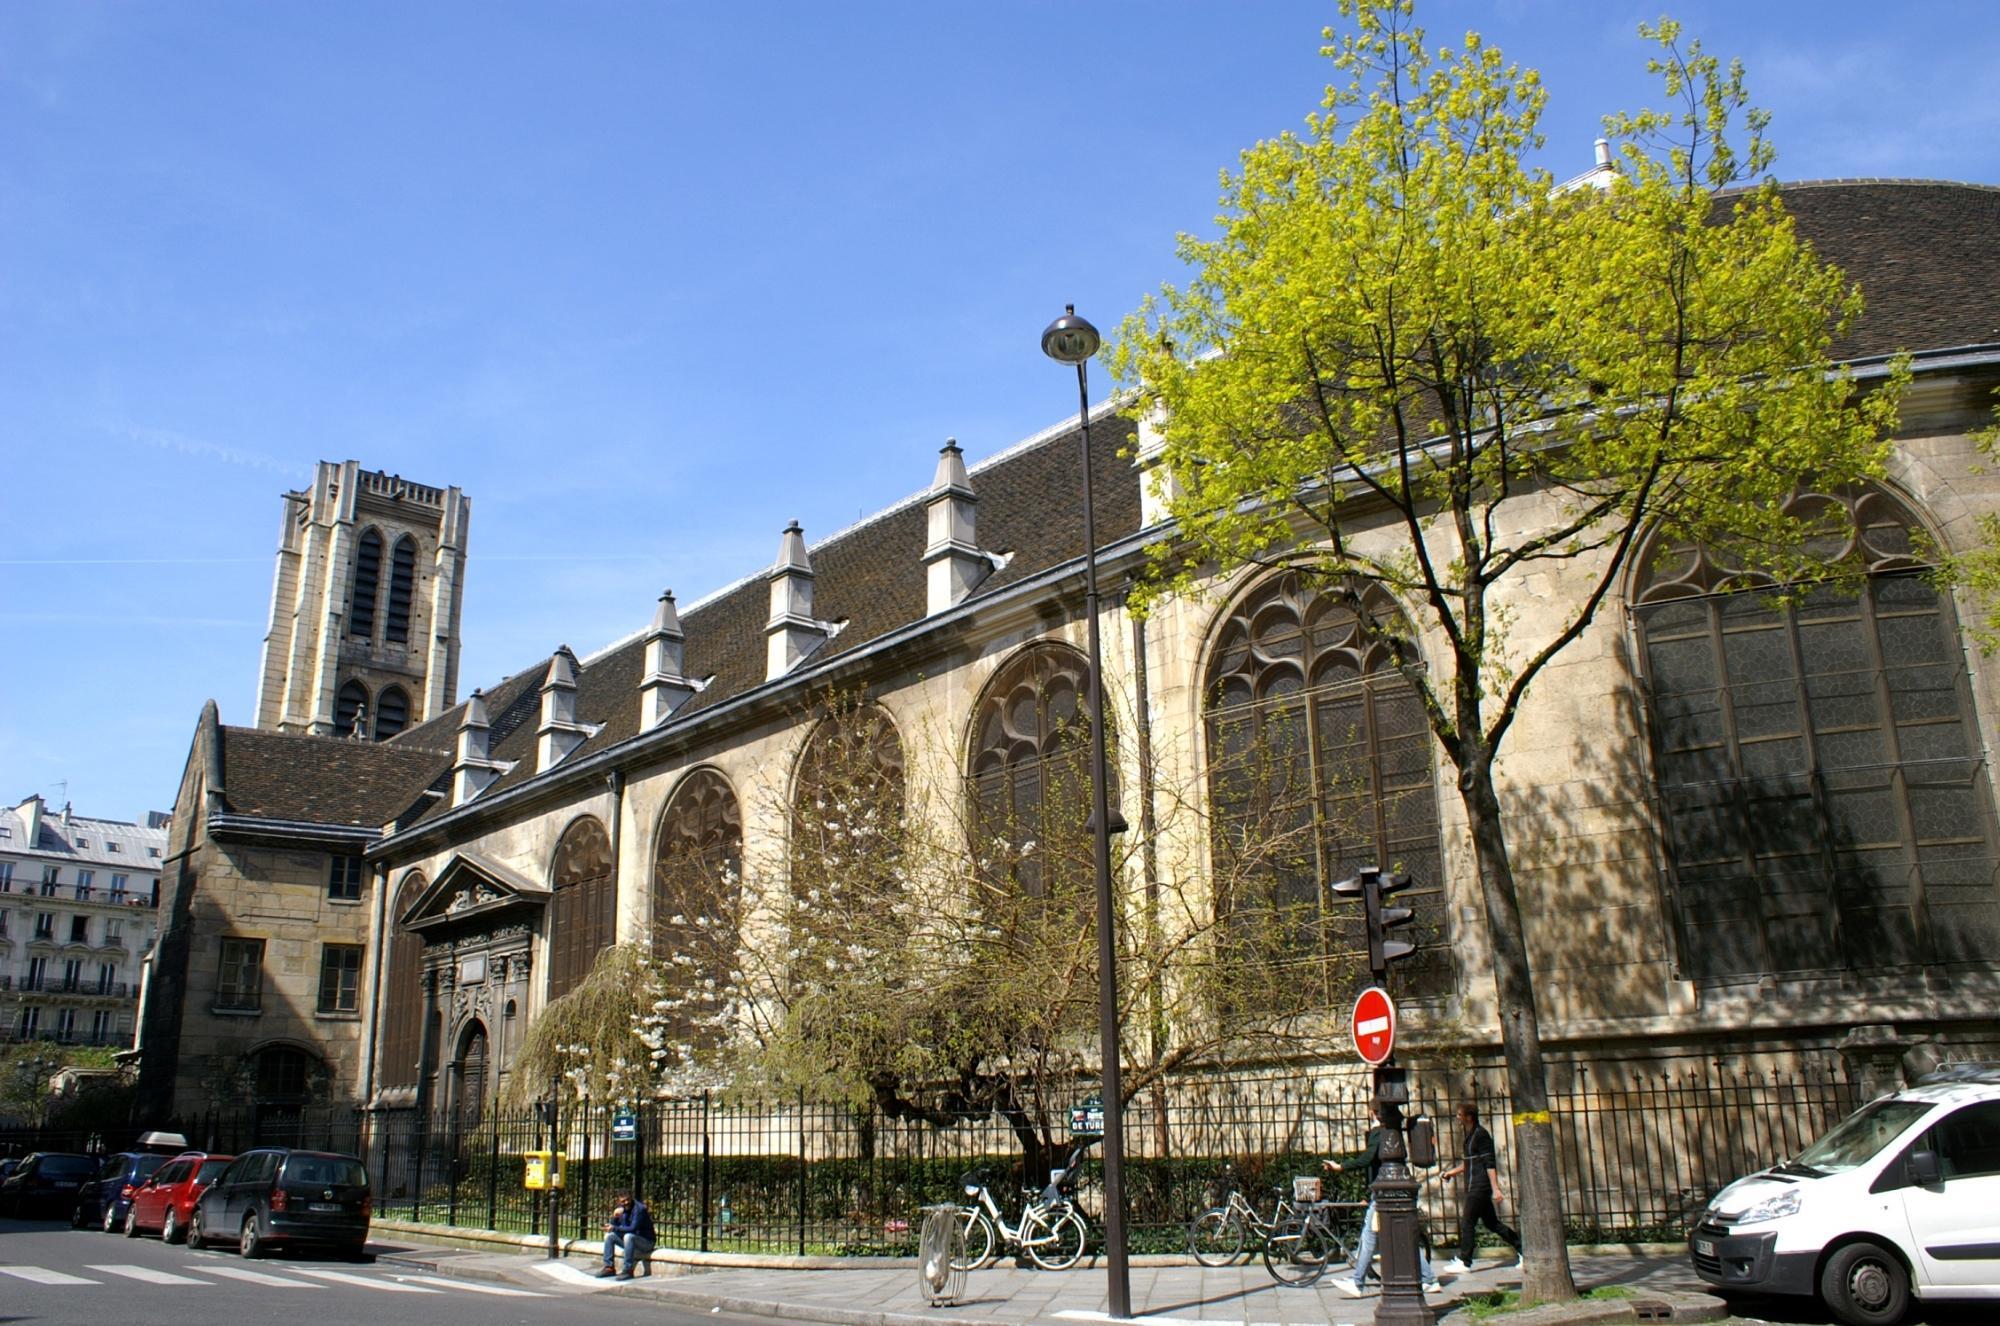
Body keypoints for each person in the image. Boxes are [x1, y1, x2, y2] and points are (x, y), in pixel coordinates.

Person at [1323, 1126, 1438, 1297]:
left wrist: (1341, 1166)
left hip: (1384, 1193)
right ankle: (1429, 1278)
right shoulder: (1391, 1130)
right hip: (1383, 1191)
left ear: (1372, 1112)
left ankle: (1357, 1282)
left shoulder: (1381, 1131)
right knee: (1400, 1236)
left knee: (1371, 1235)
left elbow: (1367, 1159)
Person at [1438, 1103, 1521, 1272]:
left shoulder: (1481, 1135)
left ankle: (1465, 1261)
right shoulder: (1470, 1135)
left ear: (1469, 1117)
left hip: (1479, 1186)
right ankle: (1523, 1249)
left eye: (1459, 1114)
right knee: (1492, 1223)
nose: (1457, 1117)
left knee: (1468, 1222)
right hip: (1473, 1184)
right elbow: (1468, 1163)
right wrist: (1451, 1173)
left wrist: (1495, 1188)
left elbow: (1489, 1163)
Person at [597, 1190, 656, 1279]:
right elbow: (619, 1228)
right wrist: (615, 1217)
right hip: (632, 1242)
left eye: (628, 1200)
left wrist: (614, 1227)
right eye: (623, 1201)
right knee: (609, 1236)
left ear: (631, 1198)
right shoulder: (623, 1209)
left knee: (628, 1236)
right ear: (619, 1202)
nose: (626, 1203)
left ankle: (628, 1270)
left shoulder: (639, 1209)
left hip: (646, 1243)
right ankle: (609, 1268)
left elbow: (633, 1229)